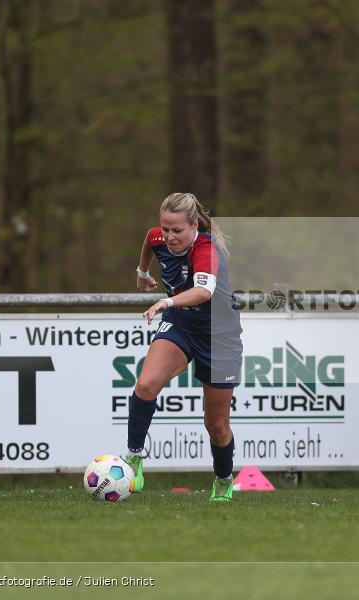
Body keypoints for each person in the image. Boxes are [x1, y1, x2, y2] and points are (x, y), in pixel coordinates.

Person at [126, 193, 243, 502]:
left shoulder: (206, 249)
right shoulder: (158, 236)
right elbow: (149, 240)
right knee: (145, 385)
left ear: (194, 225)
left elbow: (203, 291)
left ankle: (223, 479)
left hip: (219, 337)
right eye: (166, 228)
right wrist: (142, 274)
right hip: (181, 326)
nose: (169, 236)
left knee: (216, 424)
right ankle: (133, 461)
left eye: (177, 230)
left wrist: (166, 302)